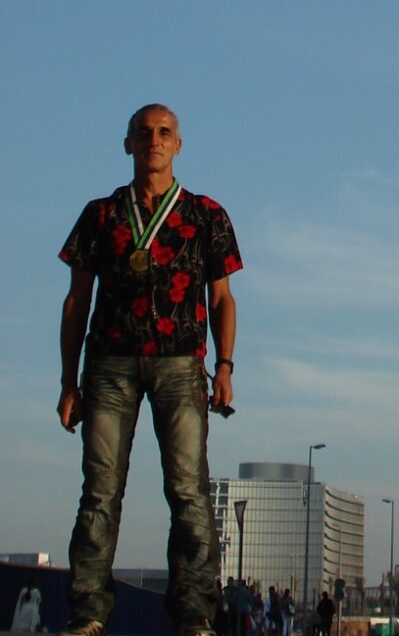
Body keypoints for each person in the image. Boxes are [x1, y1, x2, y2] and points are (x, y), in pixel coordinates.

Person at [58, 104, 242, 636]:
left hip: (183, 365)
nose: (153, 140)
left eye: (164, 133)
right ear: (128, 145)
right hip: (110, 365)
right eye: (143, 133)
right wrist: (69, 382)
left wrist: (225, 366)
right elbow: (76, 302)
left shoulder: (207, 214)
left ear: (178, 145)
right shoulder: (101, 215)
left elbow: (224, 297)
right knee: (100, 490)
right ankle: (88, 612)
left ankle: (193, 615)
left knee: (188, 491)